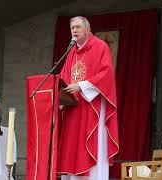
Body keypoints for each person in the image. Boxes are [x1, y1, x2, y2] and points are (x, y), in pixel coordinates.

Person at [57, 16, 119, 180]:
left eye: (78, 27)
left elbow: (106, 75)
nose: (74, 31)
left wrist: (81, 86)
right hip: (73, 106)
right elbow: (63, 76)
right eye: (72, 28)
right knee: (72, 146)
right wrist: (61, 97)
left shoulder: (100, 47)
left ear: (87, 29)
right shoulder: (71, 50)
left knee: (89, 145)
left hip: (91, 106)